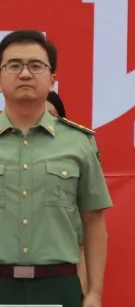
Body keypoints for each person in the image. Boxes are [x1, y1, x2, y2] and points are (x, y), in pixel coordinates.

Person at [0, 30, 111, 307]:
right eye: (14, 65)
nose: (25, 73)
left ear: (52, 80)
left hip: (58, 287)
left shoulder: (79, 143)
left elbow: (93, 220)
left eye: (36, 66)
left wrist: (95, 292)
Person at [45, 90, 89, 296]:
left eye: (51, 115)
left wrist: (85, 294)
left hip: (58, 283)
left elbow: (83, 248)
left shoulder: (76, 156)